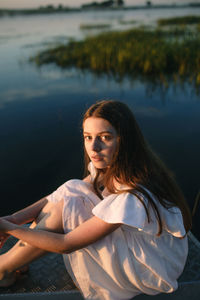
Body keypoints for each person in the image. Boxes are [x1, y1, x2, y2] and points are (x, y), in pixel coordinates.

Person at [0, 100, 192, 299]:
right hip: (156, 249)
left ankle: (3, 268)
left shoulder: (133, 194)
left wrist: (8, 228)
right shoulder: (122, 165)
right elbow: (64, 193)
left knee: (72, 207)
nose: (94, 147)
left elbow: (66, 244)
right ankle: (11, 263)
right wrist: (14, 219)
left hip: (152, 267)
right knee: (72, 188)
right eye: (88, 137)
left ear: (124, 140)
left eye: (105, 137)